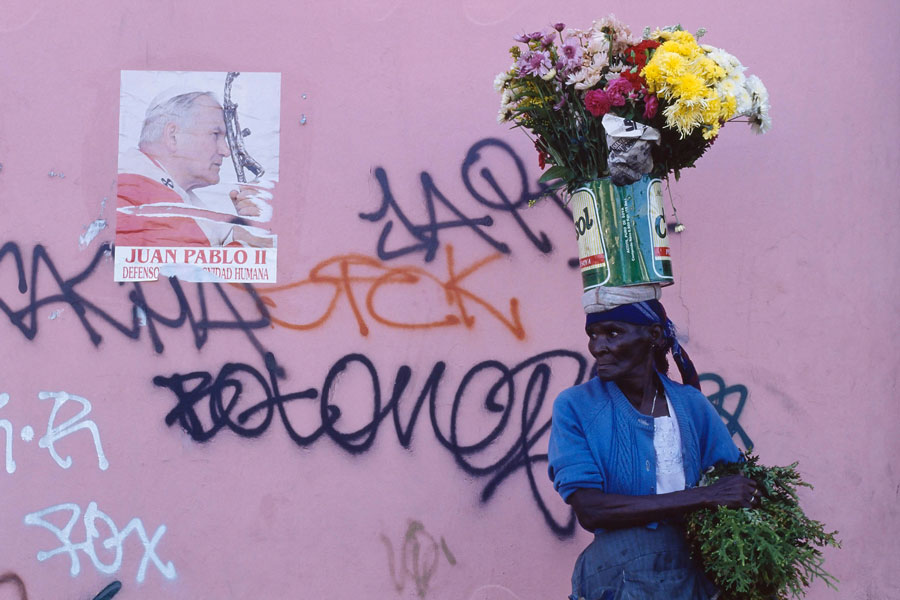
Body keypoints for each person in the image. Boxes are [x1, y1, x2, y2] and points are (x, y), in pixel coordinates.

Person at [548, 300, 758, 599]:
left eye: (613, 332)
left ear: (655, 336)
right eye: (593, 334)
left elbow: (733, 481)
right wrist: (704, 496)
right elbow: (591, 510)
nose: (598, 347)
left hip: (692, 578)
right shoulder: (575, 406)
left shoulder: (690, 405)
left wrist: (750, 493)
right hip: (617, 579)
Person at [116, 91, 273, 248]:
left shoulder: (144, 195)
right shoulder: (135, 197)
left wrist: (244, 231)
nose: (226, 151)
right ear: (173, 136)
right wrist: (252, 244)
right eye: (215, 134)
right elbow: (194, 271)